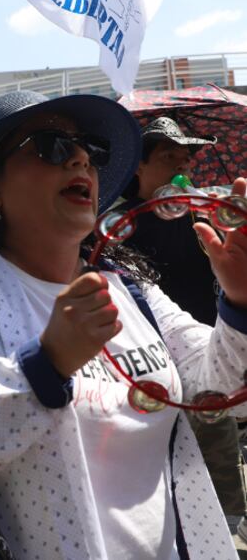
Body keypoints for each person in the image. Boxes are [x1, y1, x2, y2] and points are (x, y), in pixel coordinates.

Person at [0, 90, 247, 558]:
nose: (80, 158)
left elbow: (220, 389)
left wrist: (238, 303)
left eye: (92, 149)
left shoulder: (129, 290)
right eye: (50, 145)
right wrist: (45, 366)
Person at [117, 117, 247, 538]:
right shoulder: (114, 227)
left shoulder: (203, 218)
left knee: (218, 458)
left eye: (186, 157)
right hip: (140, 373)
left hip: (208, 355)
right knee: (152, 478)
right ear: (138, 167)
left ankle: (225, 532)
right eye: (168, 156)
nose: (182, 165)